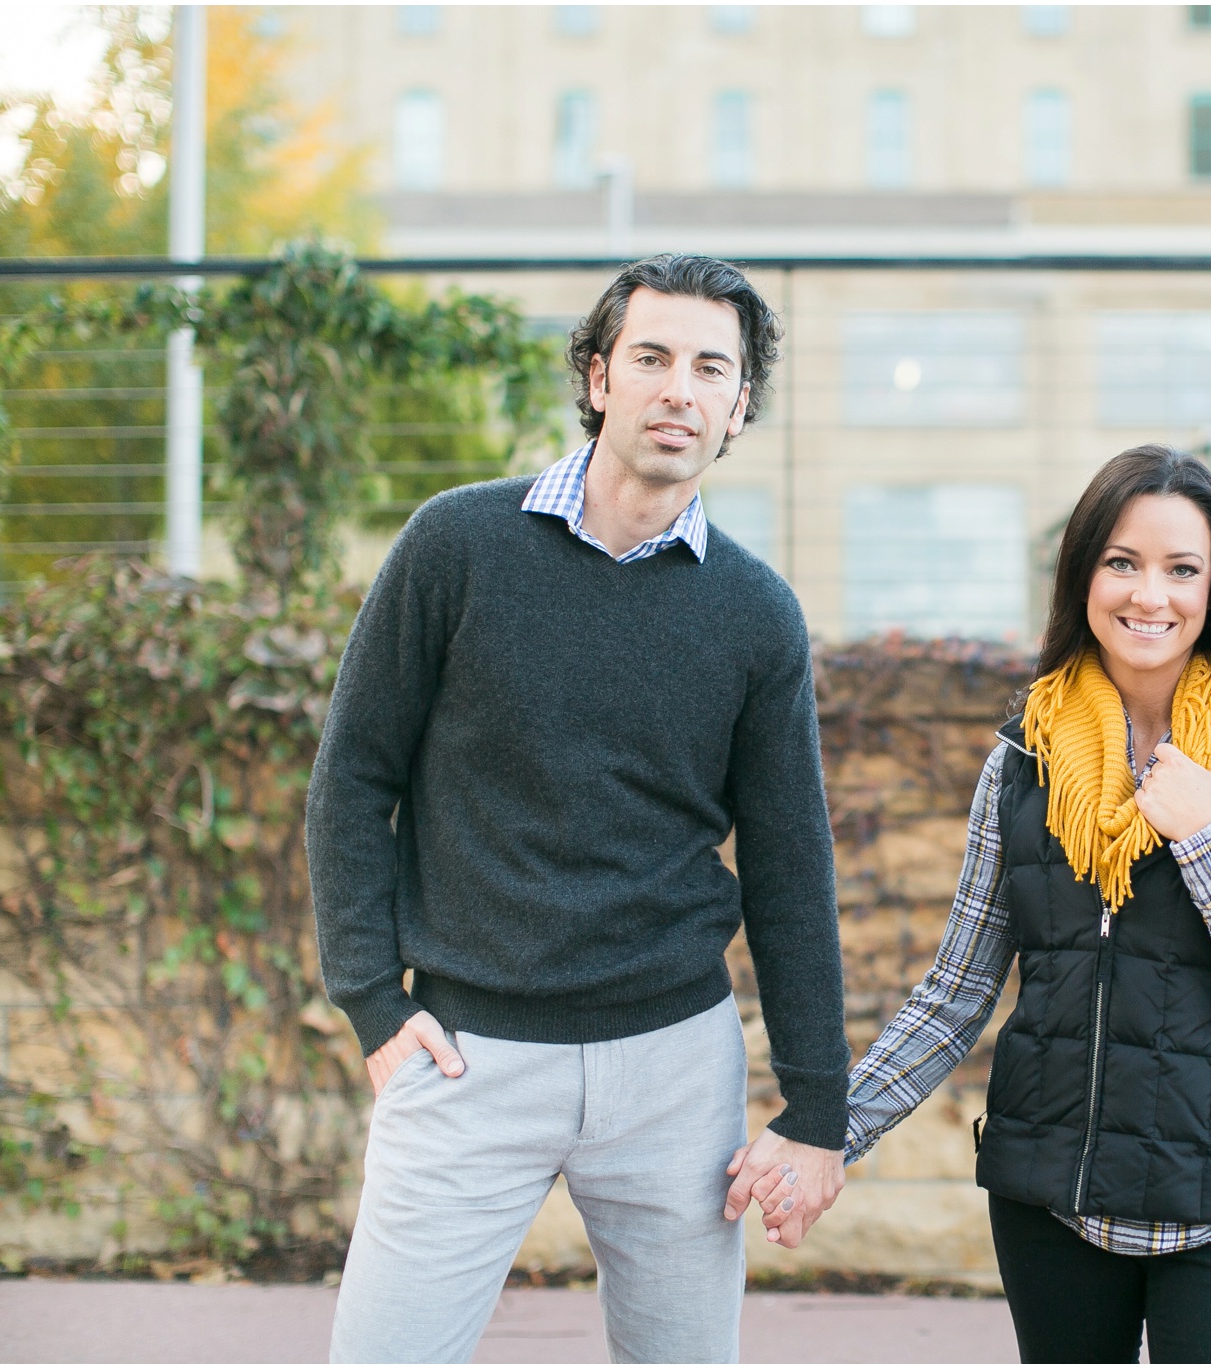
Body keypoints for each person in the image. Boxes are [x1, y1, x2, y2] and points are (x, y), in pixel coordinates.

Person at [308, 253, 848, 1364]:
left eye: (711, 368)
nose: (677, 389)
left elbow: (791, 867)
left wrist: (816, 1108)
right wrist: (369, 997)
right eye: (650, 357)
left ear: (738, 406)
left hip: (672, 1067)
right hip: (464, 1054)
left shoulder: (755, 614)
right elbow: (354, 779)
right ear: (599, 376)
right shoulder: (456, 546)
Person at [847, 445, 1211, 1363]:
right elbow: (957, 991)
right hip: (1054, 1201)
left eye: (1181, 568)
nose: (1148, 595)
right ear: (1083, 574)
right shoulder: (1024, 758)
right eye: (1122, 561)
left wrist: (1206, 832)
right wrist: (829, 1131)